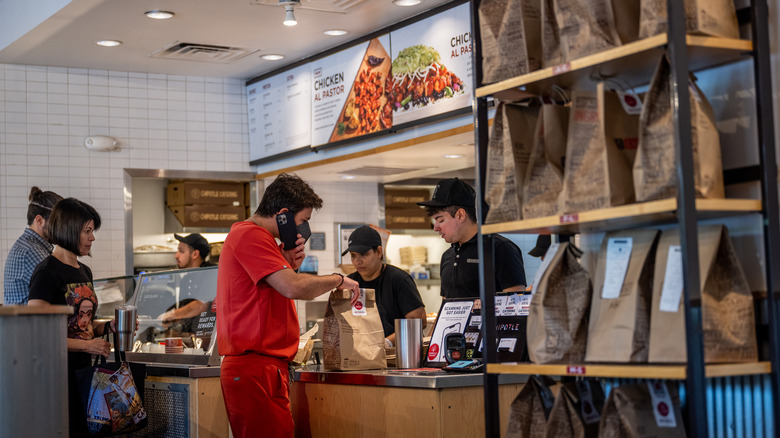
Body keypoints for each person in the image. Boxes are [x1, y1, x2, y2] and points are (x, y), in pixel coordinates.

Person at [216, 173, 361, 438]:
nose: (303, 229)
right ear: (283, 214)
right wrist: (337, 280)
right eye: (302, 220)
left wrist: (286, 263)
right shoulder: (251, 235)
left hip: (263, 368)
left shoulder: (259, 241)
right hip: (255, 368)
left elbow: (271, 291)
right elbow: (293, 287)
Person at [26, 198, 118, 436]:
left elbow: (82, 325)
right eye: (87, 231)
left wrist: (109, 326)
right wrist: (87, 346)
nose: (92, 238)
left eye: (92, 231)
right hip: (56, 378)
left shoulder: (84, 270)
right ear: (68, 230)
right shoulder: (46, 273)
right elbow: (38, 335)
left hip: (84, 375)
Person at [417, 178, 526, 299]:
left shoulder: (500, 248)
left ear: (460, 215)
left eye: (441, 220)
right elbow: (446, 304)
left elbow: (516, 304)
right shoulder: (447, 256)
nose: (436, 228)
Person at [343, 226, 426, 347]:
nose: (357, 261)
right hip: (364, 354)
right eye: (353, 255)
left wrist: (387, 342)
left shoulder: (399, 279)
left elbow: (418, 322)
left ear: (379, 252)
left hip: (401, 355)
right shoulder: (350, 283)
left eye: (363, 254)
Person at [3, 186, 63, 305]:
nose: (61, 230)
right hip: (28, 323)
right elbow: (61, 290)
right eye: (57, 224)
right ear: (39, 220)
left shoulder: (30, 246)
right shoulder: (31, 251)